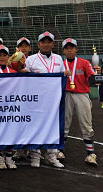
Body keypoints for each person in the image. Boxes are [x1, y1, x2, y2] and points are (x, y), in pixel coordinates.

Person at [21, 31, 70, 168]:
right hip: (36, 100)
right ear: (39, 44)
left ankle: (51, 156)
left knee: (52, 127)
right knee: (35, 126)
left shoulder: (59, 59)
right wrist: (26, 72)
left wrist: (65, 73)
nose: (46, 44)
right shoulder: (31, 59)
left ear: (53, 44)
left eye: (49, 42)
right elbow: (23, 76)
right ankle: (35, 156)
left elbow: (62, 74)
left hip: (53, 100)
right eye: (43, 42)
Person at [61, 38, 98, 166]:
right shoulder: (60, 64)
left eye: (72, 47)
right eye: (67, 48)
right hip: (66, 94)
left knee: (86, 123)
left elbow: (92, 77)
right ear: (63, 50)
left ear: (76, 49)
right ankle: (60, 151)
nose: (69, 49)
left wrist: (96, 74)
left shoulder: (84, 63)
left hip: (82, 95)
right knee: (64, 122)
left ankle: (90, 154)